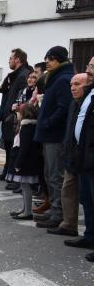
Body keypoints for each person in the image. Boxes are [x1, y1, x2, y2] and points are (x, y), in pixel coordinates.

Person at [33, 46, 74, 229]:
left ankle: (58, 214)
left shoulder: (62, 79)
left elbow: (63, 108)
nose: (47, 61)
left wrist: (48, 122)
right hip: (49, 134)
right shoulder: (55, 78)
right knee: (50, 175)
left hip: (55, 136)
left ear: (59, 59)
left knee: (56, 176)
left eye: (50, 58)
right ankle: (54, 210)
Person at [48, 73, 89, 237]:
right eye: (72, 84)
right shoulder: (74, 103)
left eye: (77, 84)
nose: (72, 88)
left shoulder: (89, 103)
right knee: (68, 189)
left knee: (86, 195)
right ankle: (69, 224)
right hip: (72, 153)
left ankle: (88, 231)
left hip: (86, 155)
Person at [64, 56, 94, 262]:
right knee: (88, 201)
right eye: (89, 65)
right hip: (83, 156)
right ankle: (90, 236)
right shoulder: (89, 94)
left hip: (91, 156)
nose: (89, 69)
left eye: (92, 66)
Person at [0, 48, 29, 181]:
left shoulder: (23, 75)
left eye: (10, 58)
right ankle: (7, 171)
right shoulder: (14, 76)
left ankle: (13, 174)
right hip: (7, 116)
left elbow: (21, 97)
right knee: (9, 147)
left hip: (14, 117)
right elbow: (6, 96)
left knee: (14, 147)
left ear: (17, 60)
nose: (9, 61)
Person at [8, 103, 42, 220]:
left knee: (26, 187)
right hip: (28, 161)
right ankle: (24, 209)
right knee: (24, 187)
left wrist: (18, 163)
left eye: (19, 112)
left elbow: (24, 148)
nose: (17, 114)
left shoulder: (27, 128)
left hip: (26, 162)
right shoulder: (29, 126)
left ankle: (27, 211)